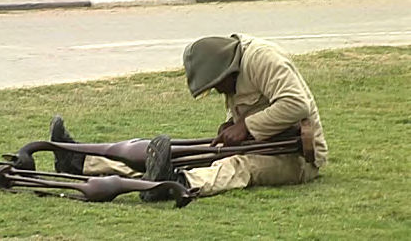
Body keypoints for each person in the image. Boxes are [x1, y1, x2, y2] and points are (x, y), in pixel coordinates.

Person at [51, 33, 328, 201]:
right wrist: (233, 126)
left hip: (297, 158)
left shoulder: (263, 60)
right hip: (263, 141)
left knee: (239, 165)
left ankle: (177, 184)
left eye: (216, 85)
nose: (218, 92)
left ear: (227, 72)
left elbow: (297, 105)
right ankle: (81, 163)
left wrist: (245, 126)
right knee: (181, 156)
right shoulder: (233, 66)